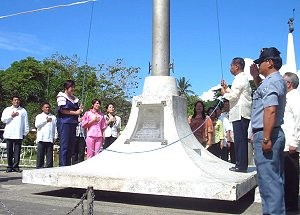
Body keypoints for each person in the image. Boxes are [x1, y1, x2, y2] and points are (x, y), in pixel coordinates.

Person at [250, 47, 286, 214]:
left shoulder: (272, 82)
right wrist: (256, 77)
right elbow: (264, 96)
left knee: (269, 183)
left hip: (267, 134)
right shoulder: (273, 81)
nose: (259, 66)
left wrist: (265, 138)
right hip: (271, 132)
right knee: (273, 181)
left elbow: (270, 109)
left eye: (261, 63)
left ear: (269, 62)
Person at [220, 57, 252, 173]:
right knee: (239, 140)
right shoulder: (241, 78)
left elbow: (233, 96)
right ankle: (240, 164)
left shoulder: (239, 79)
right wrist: (226, 88)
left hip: (240, 113)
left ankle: (241, 165)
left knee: (240, 140)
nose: (230, 68)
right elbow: (235, 93)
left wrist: (224, 94)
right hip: (241, 113)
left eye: (231, 66)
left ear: (236, 66)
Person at [282, 72, 300, 212]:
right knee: (285, 177)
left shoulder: (295, 97)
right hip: (284, 144)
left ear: (289, 83)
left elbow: (298, 120)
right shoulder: (286, 97)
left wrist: (295, 142)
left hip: (291, 145)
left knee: (291, 178)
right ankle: (287, 204)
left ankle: (292, 207)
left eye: (283, 81)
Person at [56, 80, 83, 166]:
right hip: (65, 123)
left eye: (73, 87)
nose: (73, 89)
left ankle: (68, 164)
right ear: (66, 88)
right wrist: (75, 113)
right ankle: (62, 164)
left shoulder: (74, 99)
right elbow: (63, 110)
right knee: (65, 145)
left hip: (73, 123)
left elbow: (77, 111)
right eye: (71, 87)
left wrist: (79, 110)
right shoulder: (61, 96)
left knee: (71, 145)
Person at [1, 95, 29, 172]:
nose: (16, 101)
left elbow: (25, 123)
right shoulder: (7, 109)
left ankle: (16, 166)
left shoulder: (23, 110)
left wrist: (25, 133)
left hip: (18, 134)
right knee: (9, 151)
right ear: (12, 101)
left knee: (17, 151)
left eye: (17, 100)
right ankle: (9, 166)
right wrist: (11, 116)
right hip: (9, 134)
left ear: (19, 101)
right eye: (15, 100)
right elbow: (3, 120)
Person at [35, 102, 57, 168]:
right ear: (42, 108)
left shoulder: (53, 117)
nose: (47, 108)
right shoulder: (39, 116)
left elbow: (55, 127)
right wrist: (45, 121)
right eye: (46, 107)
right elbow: (37, 125)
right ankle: (39, 167)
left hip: (49, 138)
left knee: (49, 155)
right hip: (41, 138)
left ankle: (49, 168)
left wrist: (55, 136)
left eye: (48, 107)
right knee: (40, 155)